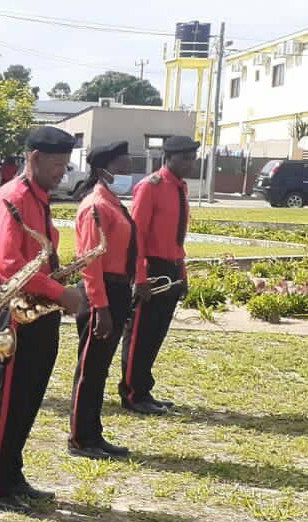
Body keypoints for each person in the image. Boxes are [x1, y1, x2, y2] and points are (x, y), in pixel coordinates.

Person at [0, 126, 84, 514]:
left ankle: (12, 474)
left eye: (65, 165)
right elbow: (8, 265)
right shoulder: (14, 198)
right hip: (16, 313)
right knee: (8, 400)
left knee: (27, 399)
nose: (62, 173)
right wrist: (61, 293)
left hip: (40, 311)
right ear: (34, 158)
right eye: (57, 165)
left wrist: (56, 289)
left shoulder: (38, 199)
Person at [69, 142, 141, 460]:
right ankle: (79, 438)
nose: (128, 173)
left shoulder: (112, 202)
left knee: (99, 370)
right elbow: (90, 262)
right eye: (122, 167)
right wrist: (101, 308)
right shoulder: (96, 206)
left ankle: (92, 434)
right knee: (90, 369)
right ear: (104, 170)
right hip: (102, 294)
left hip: (117, 291)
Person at [122, 136, 198, 415]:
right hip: (152, 268)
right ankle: (132, 393)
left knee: (155, 335)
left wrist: (182, 273)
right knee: (140, 335)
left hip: (171, 267)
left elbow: (177, 238)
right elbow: (137, 236)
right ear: (170, 157)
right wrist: (140, 277)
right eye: (185, 159)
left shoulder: (179, 187)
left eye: (192, 158)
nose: (190, 164)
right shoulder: (150, 186)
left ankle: (143, 389)